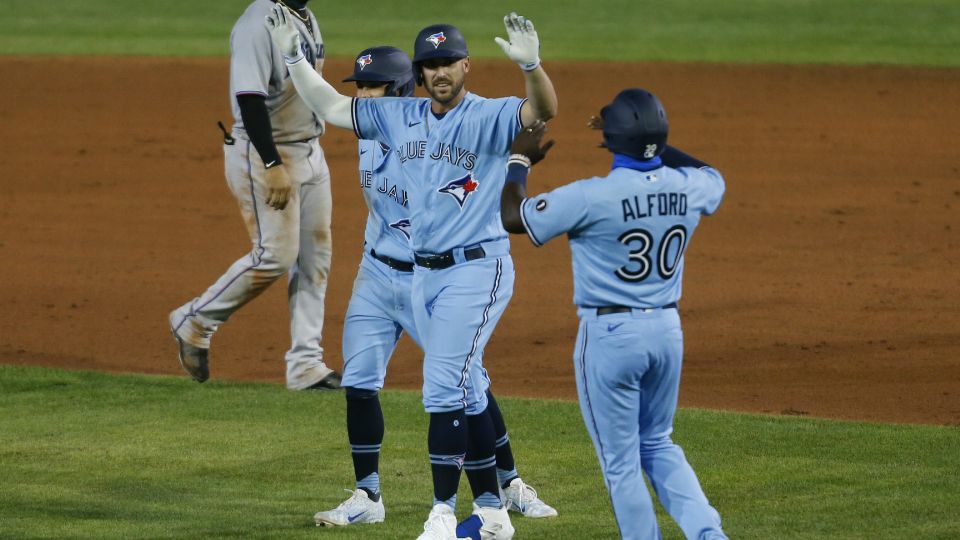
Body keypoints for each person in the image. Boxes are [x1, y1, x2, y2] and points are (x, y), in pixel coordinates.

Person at [264, 7, 557, 539]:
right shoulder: (381, 127)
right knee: (366, 379)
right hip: (385, 274)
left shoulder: (448, 123)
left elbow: (535, 117)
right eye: (362, 87)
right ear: (420, 75)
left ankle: (499, 492)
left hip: (453, 273)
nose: (366, 96)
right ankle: (371, 495)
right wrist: (293, 59)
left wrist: (530, 76)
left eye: (375, 86)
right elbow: (332, 105)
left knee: (462, 386)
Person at [499, 89, 729, 540]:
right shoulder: (689, 188)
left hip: (611, 335)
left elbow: (513, 216)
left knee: (621, 464)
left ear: (612, 141)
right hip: (666, 329)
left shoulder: (591, 196)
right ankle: (708, 534)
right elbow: (709, 172)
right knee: (659, 442)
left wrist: (519, 161)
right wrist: (651, 144)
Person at [169, 0, 340, 391]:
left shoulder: (304, 16)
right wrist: (271, 163)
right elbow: (249, 97)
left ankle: (305, 365)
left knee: (316, 258)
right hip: (266, 151)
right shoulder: (257, 20)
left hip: (309, 150)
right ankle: (194, 320)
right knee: (276, 255)